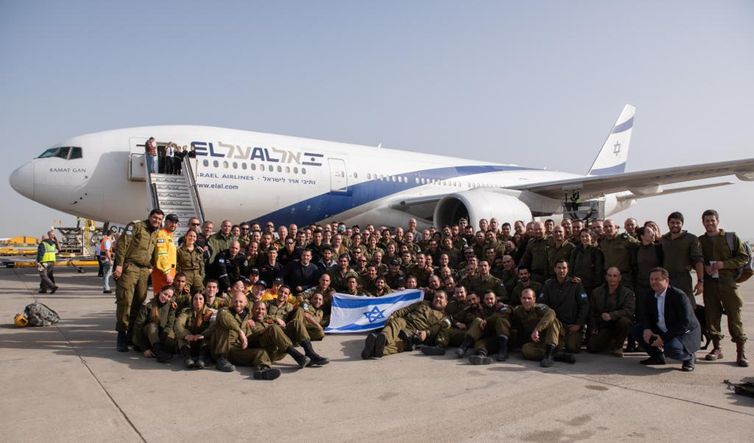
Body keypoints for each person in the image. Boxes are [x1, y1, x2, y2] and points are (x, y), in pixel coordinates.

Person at [697, 209, 750, 366]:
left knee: (735, 317)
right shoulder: (700, 241)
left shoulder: (731, 238)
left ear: (717, 221)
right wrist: (704, 267)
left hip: (728, 283)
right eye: (707, 221)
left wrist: (724, 264)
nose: (710, 223)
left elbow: (743, 257)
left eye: (712, 220)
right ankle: (716, 348)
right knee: (712, 316)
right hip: (710, 284)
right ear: (703, 222)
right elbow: (695, 259)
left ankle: (740, 352)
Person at [113, 209, 163, 352]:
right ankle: (121, 335)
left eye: (159, 219)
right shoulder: (136, 226)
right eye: (155, 218)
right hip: (130, 267)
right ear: (149, 217)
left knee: (139, 301)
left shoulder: (156, 233)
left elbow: (154, 252)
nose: (157, 221)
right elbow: (123, 244)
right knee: (125, 300)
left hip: (144, 271)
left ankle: (131, 335)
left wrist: (152, 266)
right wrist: (119, 265)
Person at [634, 267, 701, 372]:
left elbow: (685, 322)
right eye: (651, 279)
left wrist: (663, 338)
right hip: (663, 328)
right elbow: (645, 315)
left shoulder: (679, 296)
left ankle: (688, 357)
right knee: (638, 330)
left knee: (671, 349)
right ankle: (657, 357)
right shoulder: (650, 295)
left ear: (666, 280)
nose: (653, 282)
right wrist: (647, 329)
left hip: (682, 332)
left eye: (657, 279)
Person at [207, 292, 282, 380]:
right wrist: (240, 332)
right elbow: (225, 318)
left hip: (239, 349)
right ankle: (221, 360)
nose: (238, 304)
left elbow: (262, 315)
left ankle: (262, 371)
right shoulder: (224, 311)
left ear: (246, 303)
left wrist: (275, 319)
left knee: (261, 352)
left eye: (240, 302)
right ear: (231, 302)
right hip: (227, 348)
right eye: (235, 301)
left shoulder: (248, 314)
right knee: (225, 326)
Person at [361, 291, 449, 359]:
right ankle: (384, 338)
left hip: (414, 333)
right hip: (405, 322)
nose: (437, 299)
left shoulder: (444, 317)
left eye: (441, 297)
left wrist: (426, 333)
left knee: (398, 344)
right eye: (436, 297)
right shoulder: (423, 303)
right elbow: (406, 310)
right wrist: (393, 315)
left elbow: (435, 329)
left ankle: (372, 351)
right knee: (397, 321)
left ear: (446, 302)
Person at [512, 288, 574, 367]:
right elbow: (511, 311)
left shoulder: (540, 308)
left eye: (529, 298)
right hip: (539, 342)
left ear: (534, 299)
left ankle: (548, 356)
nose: (526, 301)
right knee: (526, 350)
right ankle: (556, 356)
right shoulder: (519, 310)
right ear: (520, 299)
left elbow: (551, 312)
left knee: (553, 321)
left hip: (555, 340)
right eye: (524, 298)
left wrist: (537, 329)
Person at [538, 259, 589, 353]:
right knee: (556, 347)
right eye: (559, 268)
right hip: (556, 324)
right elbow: (542, 304)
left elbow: (584, 305)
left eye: (564, 268)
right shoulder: (548, 284)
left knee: (572, 348)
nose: (561, 270)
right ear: (554, 269)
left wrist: (578, 324)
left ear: (567, 269)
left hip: (571, 325)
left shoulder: (576, 284)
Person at [586, 267, 635, 357]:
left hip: (618, 324)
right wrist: (593, 327)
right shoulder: (597, 292)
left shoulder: (627, 293)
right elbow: (591, 312)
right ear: (606, 277)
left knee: (625, 321)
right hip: (604, 325)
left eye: (615, 276)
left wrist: (612, 315)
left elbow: (629, 310)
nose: (612, 278)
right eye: (610, 275)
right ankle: (610, 341)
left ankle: (618, 347)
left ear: (619, 278)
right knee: (592, 347)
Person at [661, 211, 704, 308]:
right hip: (666, 280)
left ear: (682, 224)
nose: (675, 225)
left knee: (687, 307)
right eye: (672, 223)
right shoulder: (664, 239)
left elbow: (698, 260)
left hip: (683, 279)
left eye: (678, 223)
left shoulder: (691, 239)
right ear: (668, 224)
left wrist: (700, 281)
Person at [132, 285, 177, 363]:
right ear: (160, 291)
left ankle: (159, 348)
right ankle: (159, 353)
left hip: (160, 336)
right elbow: (138, 327)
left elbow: (169, 325)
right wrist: (145, 348)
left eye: (169, 296)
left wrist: (163, 340)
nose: (166, 297)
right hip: (145, 337)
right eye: (165, 294)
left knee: (171, 343)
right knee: (152, 326)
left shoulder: (171, 306)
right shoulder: (148, 305)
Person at [174, 291, 215, 369]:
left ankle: (202, 359)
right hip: (190, 342)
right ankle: (187, 359)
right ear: (192, 301)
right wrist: (186, 335)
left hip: (203, 343)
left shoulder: (210, 312)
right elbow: (178, 324)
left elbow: (213, 326)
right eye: (195, 299)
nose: (198, 301)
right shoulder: (186, 312)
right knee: (181, 336)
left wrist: (203, 335)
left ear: (204, 301)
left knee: (207, 337)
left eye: (200, 299)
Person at [151, 213, 179, 295]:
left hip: (170, 272)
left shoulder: (170, 236)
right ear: (165, 222)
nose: (173, 224)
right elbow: (161, 255)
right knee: (160, 298)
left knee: (166, 299)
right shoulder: (161, 234)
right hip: (163, 273)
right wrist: (167, 273)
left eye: (175, 222)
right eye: (171, 222)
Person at [176, 229, 205, 294]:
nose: (192, 238)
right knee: (185, 294)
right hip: (185, 275)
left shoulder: (199, 250)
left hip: (197, 275)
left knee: (201, 293)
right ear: (186, 236)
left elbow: (202, 265)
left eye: (194, 236)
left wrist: (202, 276)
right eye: (190, 236)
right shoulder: (179, 250)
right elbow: (175, 264)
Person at [100, 229, 116, 293]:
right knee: (108, 274)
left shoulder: (105, 239)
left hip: (103, 258)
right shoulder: (107, 241)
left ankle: (105, 287)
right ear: (112, 234)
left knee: (105, 274)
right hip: (106, 259)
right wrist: (110, 260)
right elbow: (107, 251)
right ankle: (107, 288)